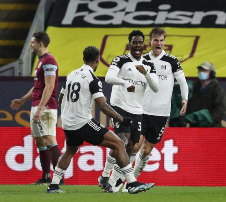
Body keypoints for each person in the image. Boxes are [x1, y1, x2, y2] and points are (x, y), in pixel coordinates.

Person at [46, 46, 154, 194]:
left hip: (67, 122)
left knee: (70, 151)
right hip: (82, 122)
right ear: (97, 60)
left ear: (83, 59)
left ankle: (53, 185)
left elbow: (60, 99)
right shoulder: (93, 79)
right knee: (119, 144)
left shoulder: (71, 75)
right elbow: (103, 106)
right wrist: (122, 119)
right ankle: (132, 183)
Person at [111, 27, 189, 192]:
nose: (158, 43)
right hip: (142, 110)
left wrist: (185, 98)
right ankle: (115, 180)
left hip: (161, 112)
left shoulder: (172, 61)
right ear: (150, 42)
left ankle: (129, 184)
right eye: (155, 40)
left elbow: (182, 82)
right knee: (134, 146)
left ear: (164, 42)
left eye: (161, 40)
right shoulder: (142, 59)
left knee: (146, 150)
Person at [97, 30, 159, 193]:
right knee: (122, 141)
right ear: (129, 43)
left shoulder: (149, 64)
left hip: (137, 109)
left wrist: (146, 74)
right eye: (134, 42)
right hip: (120, 106)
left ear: (144, 44)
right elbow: (109, 78)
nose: (138, 45)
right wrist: (124, 83)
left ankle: (111, 180)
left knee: (132, 146)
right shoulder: (120, 60)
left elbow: (155, 87)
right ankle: (105, 176)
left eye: (140, 42)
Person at [10, 31, 62, 185]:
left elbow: (50, 86)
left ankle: (58, 178)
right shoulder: (41, 61)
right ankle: (46, 177)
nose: (30, 45)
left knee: (50, 139)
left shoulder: (49, 61)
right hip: (37, 105)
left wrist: (40, 108)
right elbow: (38, 86)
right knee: (40, 141)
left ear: (40, 44)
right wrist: (23, 100)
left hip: (45, 107)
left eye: (32, 42)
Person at [169, 62, 226, 127]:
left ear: (212, 73)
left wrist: (207, 120)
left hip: (212, 128)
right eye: (200, 70)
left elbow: (220, 111)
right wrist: (181, 118)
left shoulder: (217, 90)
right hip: (194, 128)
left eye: (205, 71)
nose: (202, 72)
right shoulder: (193, 87)